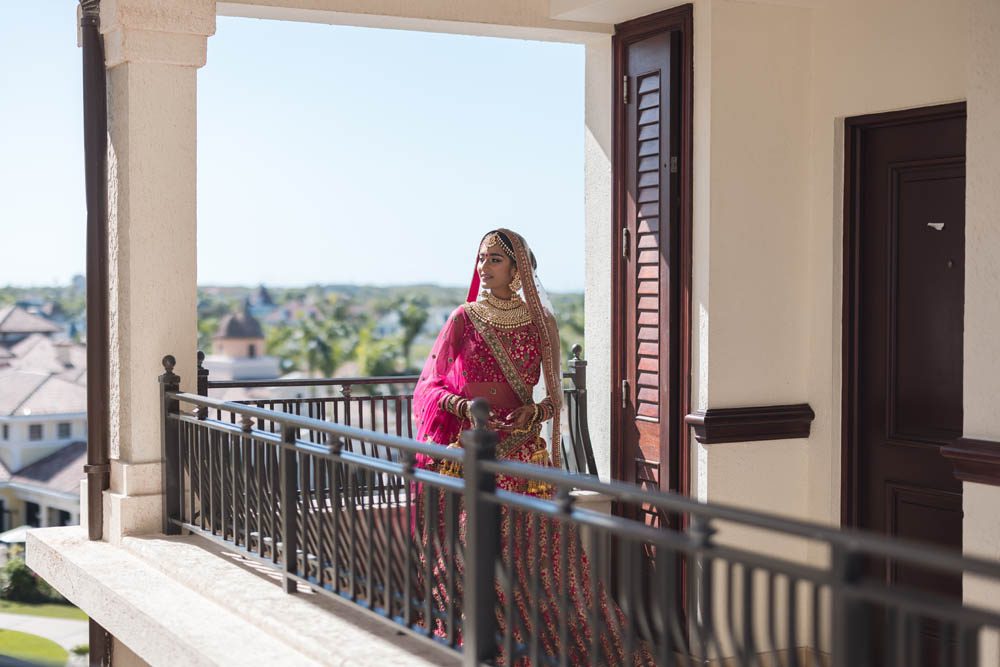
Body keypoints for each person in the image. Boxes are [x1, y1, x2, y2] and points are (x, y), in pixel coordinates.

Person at [412, 229, 644, 665]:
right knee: (468, 546)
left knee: (534, 552)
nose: (483, 267)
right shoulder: (464, 317)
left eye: (495, 260)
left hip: (521, 450)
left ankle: (537, 646)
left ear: (518, 270)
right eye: (481, 258)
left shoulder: (542, 324)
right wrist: (462, 405)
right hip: (476, 447)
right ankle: (481, 642)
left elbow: (554, 399)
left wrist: (532, 414)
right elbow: (429, 384)